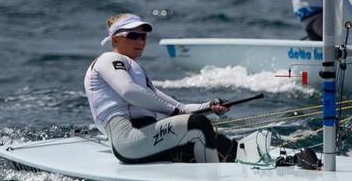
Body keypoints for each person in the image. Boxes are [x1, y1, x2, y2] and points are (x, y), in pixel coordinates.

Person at [83, 13, 238, 163]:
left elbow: (180, 108)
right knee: (197, 124)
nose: (140, 41)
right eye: (133, 36)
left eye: (143, 36)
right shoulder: (108, 59)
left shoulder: (135, 72)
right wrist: (175, 113)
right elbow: (128, 91)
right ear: (115, 39)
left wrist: (210, 107)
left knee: (223, 144)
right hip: (128, 141)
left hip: (149, 138)